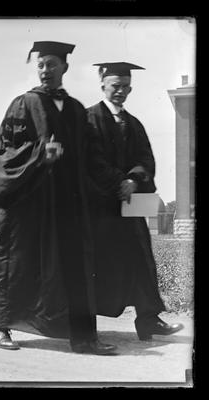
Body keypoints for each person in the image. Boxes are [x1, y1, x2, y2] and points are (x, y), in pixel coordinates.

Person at [0, 41, 122, 354]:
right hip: (28, 201)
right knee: (16, 263)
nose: (45, 70)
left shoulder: (75, 110)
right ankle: (0, 328)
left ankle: (84, 338)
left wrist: (119, 181)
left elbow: (93, 158)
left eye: (51, 65)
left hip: (68, 202)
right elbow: (3, 152)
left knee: (76, 266)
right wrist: (38, 154)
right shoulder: (23, 104)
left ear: (64, 68)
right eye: (41, 64)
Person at [86, 62, 184, 340]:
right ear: (102, 84)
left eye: (126, 86)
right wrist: (119, 180)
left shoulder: (134, 123)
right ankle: (85, 326)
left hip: (128, 208)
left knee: (141, 258)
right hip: (99, 207)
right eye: (116, 85)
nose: (121, 91)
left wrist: (133, 179)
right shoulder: (88, 119)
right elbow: (90, 160)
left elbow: (146, 160)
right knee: (95, 264)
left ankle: (148, 319)